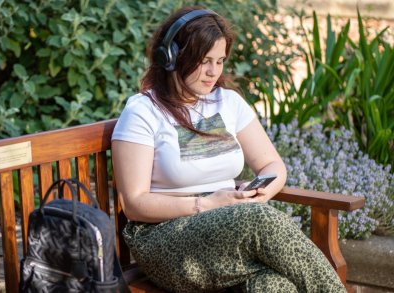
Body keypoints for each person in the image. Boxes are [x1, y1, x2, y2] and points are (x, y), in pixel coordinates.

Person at [110, 6, 347, 293]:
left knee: (273, 285)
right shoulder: (143, 111)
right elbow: (133, 203)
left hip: (231, 229)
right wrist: (207, 204)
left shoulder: (228, 102)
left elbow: (273, 165)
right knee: (258, 221)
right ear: (171, 58)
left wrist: (259, 195)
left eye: (220, 61)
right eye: (204, 60)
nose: (213, 72)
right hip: (165, 237)